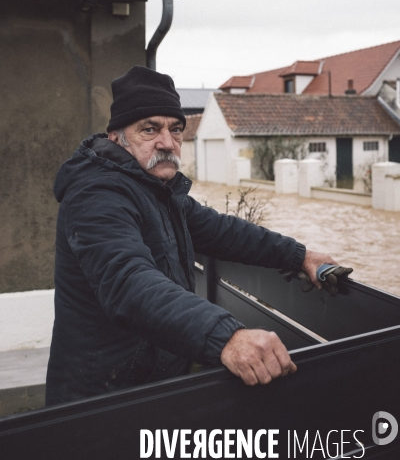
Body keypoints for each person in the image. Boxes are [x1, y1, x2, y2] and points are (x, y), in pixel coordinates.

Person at [46, 66, 339, 406]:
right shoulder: (96, 193)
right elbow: (127, 280)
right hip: (101, 400)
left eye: (176, 129)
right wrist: (226, 335)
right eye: (149, 129)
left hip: (149, 384)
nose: (167, 143)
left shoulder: (158, 191)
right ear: (117, 138)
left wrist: (299, 255)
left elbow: (223, 230)